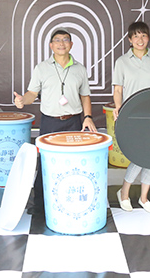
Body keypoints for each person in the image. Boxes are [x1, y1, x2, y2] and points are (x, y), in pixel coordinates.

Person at [14, 29, 97, 215]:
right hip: (50, 123)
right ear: (51, 45)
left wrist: (88, 117)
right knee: (45, 162)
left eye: (65, 40)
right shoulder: (41, 68)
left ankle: (70, 200)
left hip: (74, 122)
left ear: (71, 45)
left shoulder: (80, 69)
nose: (61, 43)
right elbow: (32, 93)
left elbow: (85, 96)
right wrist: (22, 100)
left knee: (73, 162)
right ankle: (40, 204)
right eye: (57, 40)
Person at [113, 21, 150, 213]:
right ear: (130, 40)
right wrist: (119, 108)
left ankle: (143, 198)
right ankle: (124, 193)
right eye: (136, 36)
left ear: (148, 38)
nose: (140, 39)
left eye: (143, 35)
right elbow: (118, 89)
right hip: (132, 115)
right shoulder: (122, 62)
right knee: (139, 156)